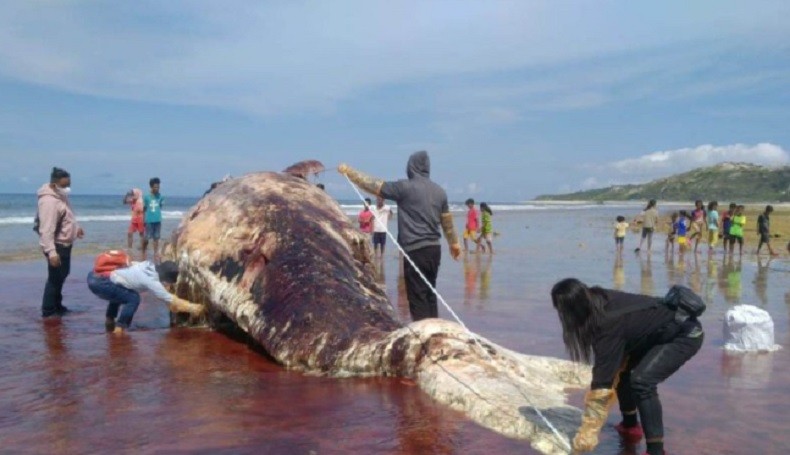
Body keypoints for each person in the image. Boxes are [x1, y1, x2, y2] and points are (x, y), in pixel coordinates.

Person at [551, 278, 703, 455]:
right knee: (624, 373)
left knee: (641, 382)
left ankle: (656, 451)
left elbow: (602, 384)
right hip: (656, 334)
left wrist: (588, 433)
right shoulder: (597, 297)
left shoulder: (606, 324)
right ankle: (630, 427)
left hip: (685, 335)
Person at [338, 151, 461, 321]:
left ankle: (426, 338)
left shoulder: (405, 188)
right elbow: (447, 222)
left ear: (411, 167)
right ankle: (435, 330)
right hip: (434, 250)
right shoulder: (440, 192)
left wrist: (349, 172)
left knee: (417, 297)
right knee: (430, 292)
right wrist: (454, 244)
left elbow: (374, 186)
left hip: (415, 251)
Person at [87, 255, 204, 333]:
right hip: (101, 283)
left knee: (121, 292)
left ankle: (110, 320)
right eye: (167, 281)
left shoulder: (146, 265)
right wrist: (196, 308)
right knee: (133, 298)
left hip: (94, 276)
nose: (166, 283)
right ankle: (119, 329)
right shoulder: (151, 281)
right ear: (166, 278)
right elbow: (173, 302)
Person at [37, 167, 85, 318]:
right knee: (55, 278)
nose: (67, 189)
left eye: (68, 185)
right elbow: (46, 229)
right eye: (64, 186)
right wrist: (51, 252)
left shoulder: (61, 197)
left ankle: (58, 305)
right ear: (54, 185)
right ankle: (49, 310)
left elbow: (67, 216)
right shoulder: (49, 202)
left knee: (63, 274)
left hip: (65, 244)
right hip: (57, 245)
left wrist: (76, 228)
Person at [141, 177, 164, 260]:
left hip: (157, 220)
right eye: (155, 187)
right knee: (146, 237)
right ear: (151, 187)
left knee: (156, 238)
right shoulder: (147, 197)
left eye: (158, 187)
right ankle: (143, 251)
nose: (157, 188)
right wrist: (143, 219)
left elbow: (160, 206)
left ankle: (155, 253)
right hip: (149, 220)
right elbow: (144, 209)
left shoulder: (161, 197)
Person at [124, 188, 145, 252]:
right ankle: (129, 248)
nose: (133, 195)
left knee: (141, 234)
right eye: (132, 194)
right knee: (129, 233)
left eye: (134, 194)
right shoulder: (133, 201)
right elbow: (124, 202)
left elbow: (145, 210)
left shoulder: (141, 201)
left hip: (141, 219)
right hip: (134, 220)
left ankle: (143, 247)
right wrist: (127, 195)